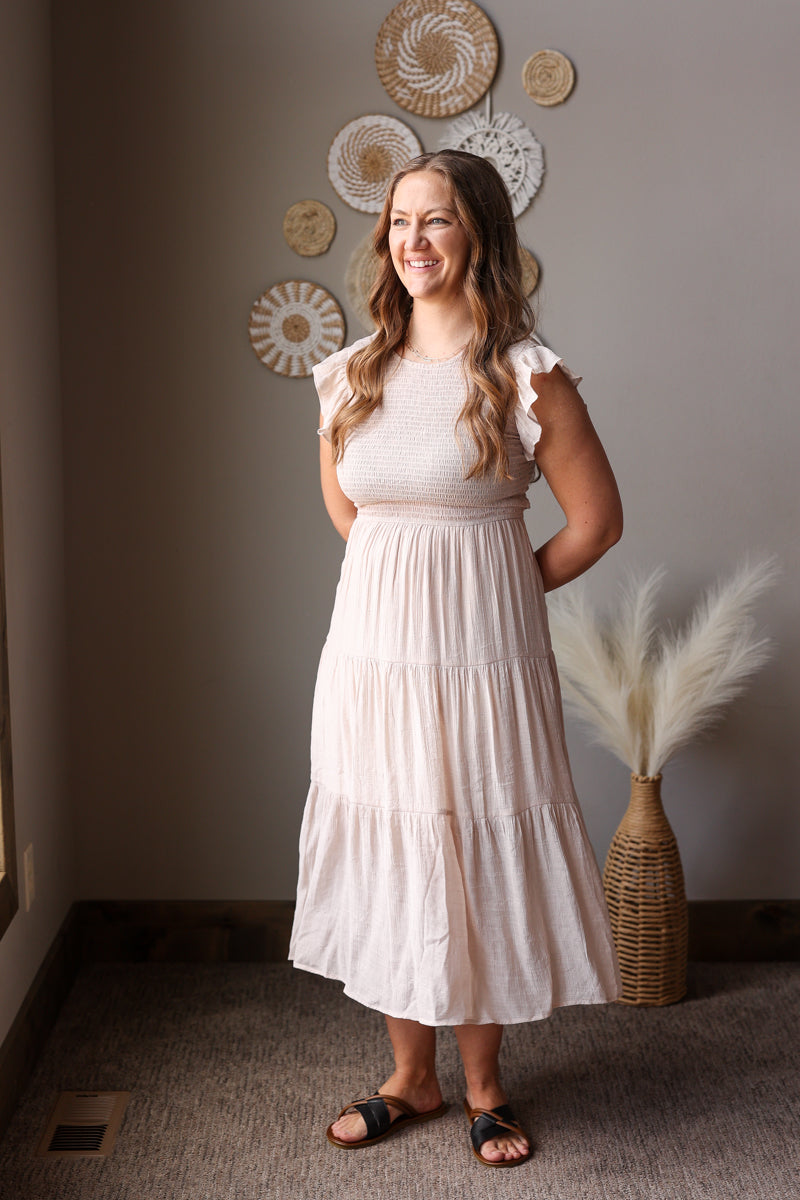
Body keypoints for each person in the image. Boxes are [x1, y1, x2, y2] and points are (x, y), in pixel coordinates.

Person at [289, 149, 623, 1168]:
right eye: (398, 221)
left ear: (476, 233)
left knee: (470, 841)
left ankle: (483, 1087)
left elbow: (595, 521)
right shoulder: (347, 373)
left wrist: (490, 588)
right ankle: (409, 1076)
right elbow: (351, 511)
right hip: (371, 659)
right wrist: (406, 592)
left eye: (435, 221)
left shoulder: (524, 372)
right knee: (395, 842)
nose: (413, 240)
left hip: (484, 660)